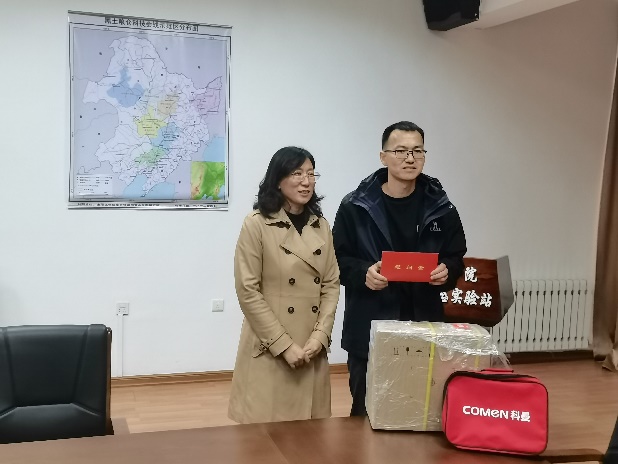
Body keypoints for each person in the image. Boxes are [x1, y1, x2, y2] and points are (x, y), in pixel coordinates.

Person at [333, 121, 466, 416]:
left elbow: (456, 256)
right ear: (383, 157)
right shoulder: (355, 206)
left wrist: (447, 270)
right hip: (370, 324)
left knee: (420, 412)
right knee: (366, 413)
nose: (410, 158)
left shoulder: (441, 206)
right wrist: (364, 273)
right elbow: (337, 260)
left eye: (417, 151)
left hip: (423, 325)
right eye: (401, 151)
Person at [228, 146, 340, 424]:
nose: (306, 181)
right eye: (297, 173)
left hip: (310, 348)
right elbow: (248, 291)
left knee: (310, 438)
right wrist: (284, 345)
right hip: (271, 349)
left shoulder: (321, 226)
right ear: (278, 180)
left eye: (311, 174)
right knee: (265, 438)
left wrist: (320, 337)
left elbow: (331, 284)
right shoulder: (256, 224)